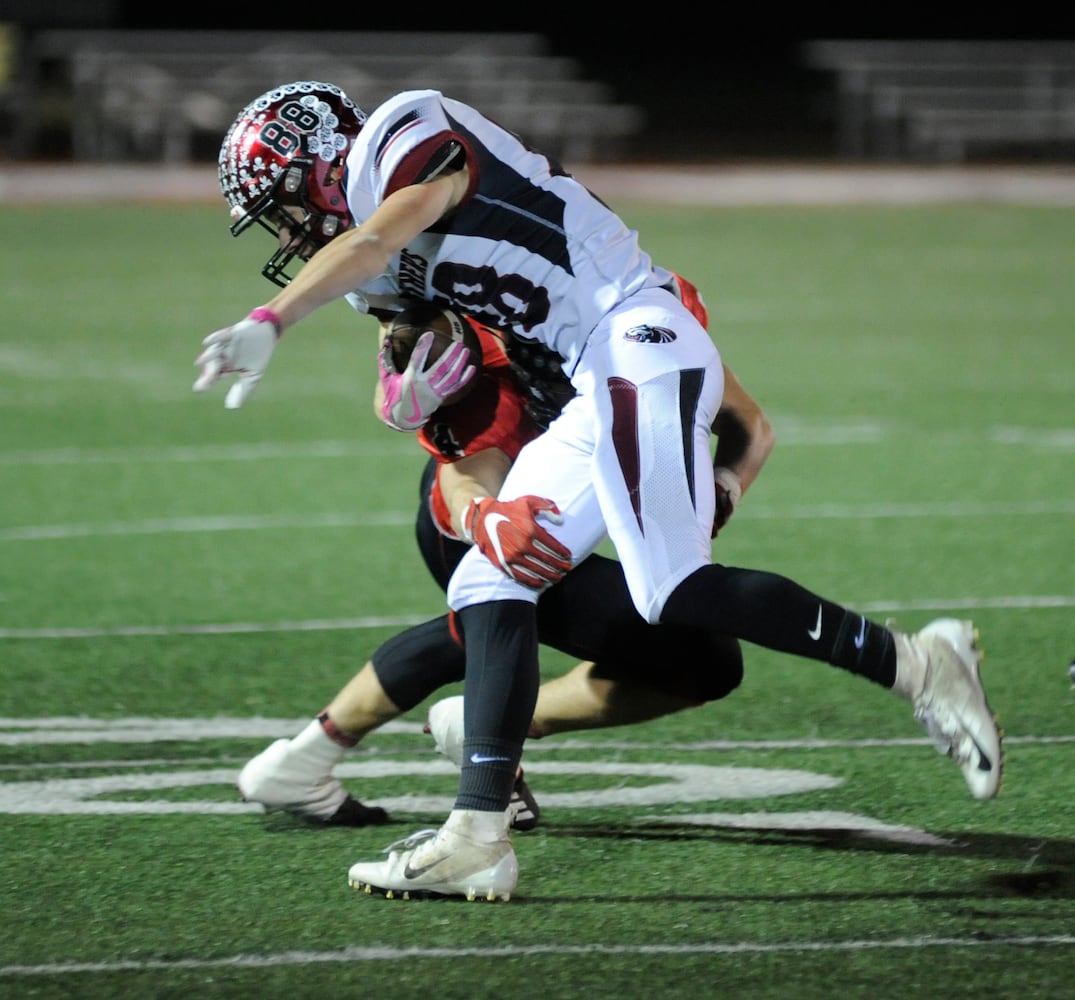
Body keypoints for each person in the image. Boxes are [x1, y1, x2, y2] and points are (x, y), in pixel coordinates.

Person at [194, 81, 1003, 903]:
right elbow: (397, 340)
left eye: (287, 204)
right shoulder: (379, 266)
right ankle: (475, 838)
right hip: (593, 377)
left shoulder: (406, 132)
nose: (289, 230)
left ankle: (917, 664)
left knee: (673, 589)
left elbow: (372, 239)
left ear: (325, 164)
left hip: (631, 332)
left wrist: (272, 320)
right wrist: (408, 408)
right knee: (489, 576)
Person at [239, 295, 762, 831]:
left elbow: (749, 425)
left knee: (477, 634)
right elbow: (464, 474)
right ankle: (483, 730)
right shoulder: (492, 373)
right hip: (497, 522)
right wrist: (486, 519)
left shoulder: (641, 319)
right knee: (704, 658)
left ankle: (302, 762)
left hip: (531, 518)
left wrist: (723, 486)